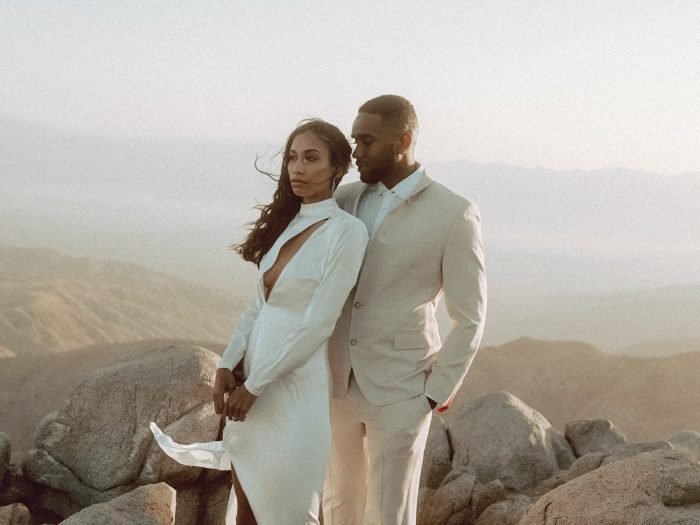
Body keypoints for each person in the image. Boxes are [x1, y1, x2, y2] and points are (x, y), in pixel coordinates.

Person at [150, 119, 368, 525]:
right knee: (247, 500)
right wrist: (226, 365)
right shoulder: (291, 223)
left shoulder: (347, 232)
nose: (297, 168)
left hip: (294, 388)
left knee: (285, 508)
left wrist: (256, 384)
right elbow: (258, 307)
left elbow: (318, 324)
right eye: (292, 158)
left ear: (337, 168)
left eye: (311, 158)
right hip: (253, 379)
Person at [322, 95, 487, 525]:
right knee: (339, 505)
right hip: (336, 382)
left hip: (403, 387)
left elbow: (470, 315)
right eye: (354, 139)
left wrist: (438, 389)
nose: (356, 151)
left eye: (366, 141)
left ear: (404, 140)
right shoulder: (344, 200)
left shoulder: (455, 213)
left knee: (389, 512)